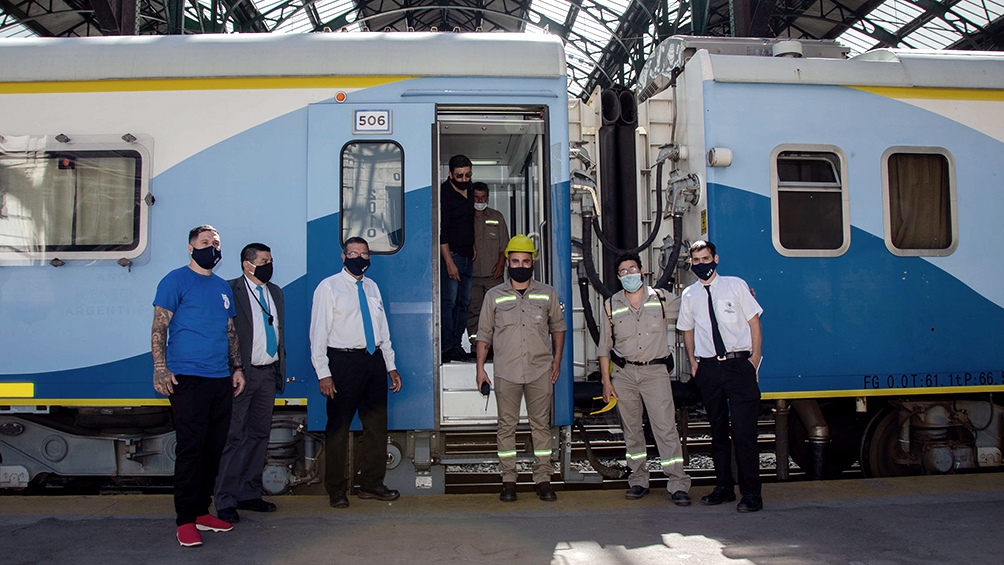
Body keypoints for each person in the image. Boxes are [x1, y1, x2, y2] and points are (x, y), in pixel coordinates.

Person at [152, 224, 246, 547]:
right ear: (191, 248)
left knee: (213, 447)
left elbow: (230, 331)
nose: (212, 247)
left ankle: (202, 511)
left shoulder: (222, 287)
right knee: (191, 449)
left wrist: (237, 368)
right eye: (205, 242)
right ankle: (185, 520)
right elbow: (159, 327)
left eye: (216, 243)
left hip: (220, 378)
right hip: (187, 379)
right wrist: (160, 369)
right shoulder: (175, 280)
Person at [310, 236, 403, 509]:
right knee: (338, 429)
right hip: (343, 363)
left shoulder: (372, 287)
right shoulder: (328, 288)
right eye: (353, 253)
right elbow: (318, 335)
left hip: (373, 362)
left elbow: (382, 331)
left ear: (369, 259)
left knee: (376, 427)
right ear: (343, 257)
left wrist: (391, 366)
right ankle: (336, 490)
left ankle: (372, 485)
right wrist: (323, 373)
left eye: (363, 254)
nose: (359, 258)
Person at [475, 235, 566, 502]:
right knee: (506, 427)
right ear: (508, 263)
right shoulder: (493, 296)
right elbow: (484, 334)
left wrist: (557, 359)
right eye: (515, 261)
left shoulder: (547, 293)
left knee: (541, 426)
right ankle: (508, 480)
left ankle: (543, 480)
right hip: (507, 371)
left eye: (526, 261)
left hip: (540, 370)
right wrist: (480, 369)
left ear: (533, 262)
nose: (520, 265)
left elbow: (558, 328)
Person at [676, 240, 764, 513]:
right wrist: (693, 361)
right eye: (697, 261)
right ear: (691, 264)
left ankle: (751, 494)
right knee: (717, 432)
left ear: (716, 259)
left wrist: (755, 360)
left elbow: (753, 322)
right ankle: (723, 488)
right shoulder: (689, 295)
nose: (702, 265)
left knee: (744, 432)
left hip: (739, 365)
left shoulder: (735, 285)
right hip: (709, 369)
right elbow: (687, 329)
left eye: (706, 259)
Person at [598, 252, 692, 505]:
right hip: (624, 375)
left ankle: (677, 482)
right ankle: (638, 480)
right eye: (624, 272)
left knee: (665, 428)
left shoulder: (661, 299)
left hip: (655, 373)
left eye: (633, 269)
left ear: (642, 270)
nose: (629, 275)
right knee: (632, 430)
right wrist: (607, 382)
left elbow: (693, 307)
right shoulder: (610, 305)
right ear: (618, 277)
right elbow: (604, 348)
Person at [214, 243, 285, 524]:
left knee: (258, 435)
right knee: (233, 437)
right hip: (241, 375)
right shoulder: (231, 290)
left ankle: (249, 493)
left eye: (270, 259)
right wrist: (234, 367)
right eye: (264, 260)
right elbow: (226, 333)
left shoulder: (275, 292)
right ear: (247, 264)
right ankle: (225, 499)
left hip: (267, 373)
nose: (269, 264)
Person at [440, 154, 476, 363]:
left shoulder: (470, 190)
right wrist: (449, 262)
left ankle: (456, 345)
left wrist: (473, 245)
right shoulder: (444, 194)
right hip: (451, 255)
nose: (464, 179)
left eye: (467, 174)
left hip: (467, 255)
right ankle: (447, 347)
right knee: (449, 303)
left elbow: (469, 222)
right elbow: (441, 232)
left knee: (464, 303)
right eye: (459, 175)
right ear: (450, 174)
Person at [465, 182, 509, 351]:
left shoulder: (497, 217)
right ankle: (477, 347)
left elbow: (504, 245)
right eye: (476, 197)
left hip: (493, 276)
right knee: (474, 312)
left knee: (498, 312)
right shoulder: (465, 218)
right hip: (472, 276)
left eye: (483, 197)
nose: (480, 200)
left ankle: (495, 348)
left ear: (488, 198)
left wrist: (500, 265)